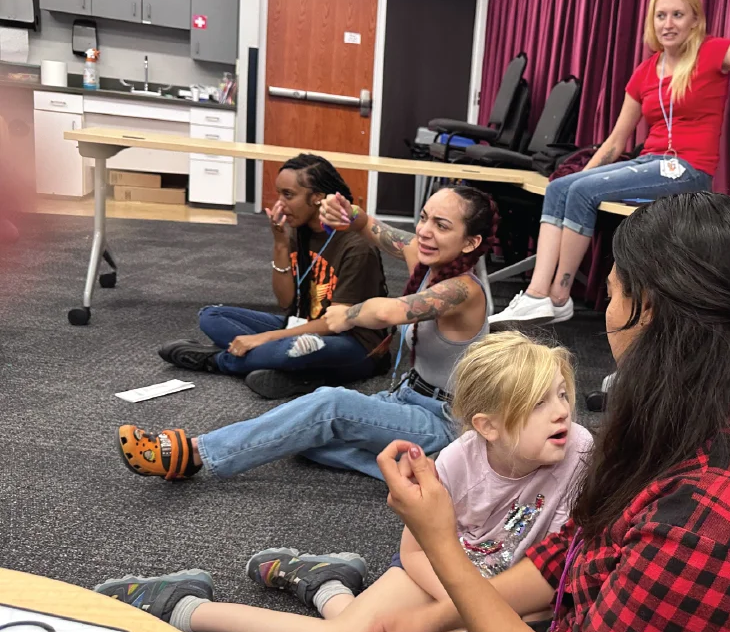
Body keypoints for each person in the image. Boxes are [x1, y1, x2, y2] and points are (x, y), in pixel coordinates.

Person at [344, 192, 730, 632]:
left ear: (648, 308)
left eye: (613, 293)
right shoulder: (712, 421)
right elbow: (576, 548)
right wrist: (440, 617)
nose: (608, 315)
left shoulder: (711, 517)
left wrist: (440, 543)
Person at [95, 332, 592, 632]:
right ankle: (184, 605)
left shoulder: (581, 454)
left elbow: (558, 573)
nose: (562, 412)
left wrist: (465, 609)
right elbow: (415, 553)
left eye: (562, 394)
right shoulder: (458, 459)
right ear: (487, 426)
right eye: (539, 403)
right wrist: (461, 603)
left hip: (509, 593)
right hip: (437, 572)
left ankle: (326, 584)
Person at [488, 0, 730, 329]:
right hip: (648, 162)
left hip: (686, 168)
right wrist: (580, 174)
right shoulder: (645, 71)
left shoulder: (713, 51)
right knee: (562, 188)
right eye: (661, 16)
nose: (668, 23)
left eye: (677, 15)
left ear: (694, 20)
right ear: (652, 22)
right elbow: (616, 142)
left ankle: (557, 296)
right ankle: (537, 295)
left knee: (582, 191)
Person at [114, 185, 498, 481]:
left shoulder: (464, 291)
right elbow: (370, 227)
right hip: (406, 398)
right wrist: (347, 212)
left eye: (441, 225)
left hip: (444, 420)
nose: (424, 232)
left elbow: (391, 311)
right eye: (424, 218)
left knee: (327, 407)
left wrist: (348, 314)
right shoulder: (426, 257)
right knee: (304, 438)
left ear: (471, 242)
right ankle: (419, 470)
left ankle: (194, 453)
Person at [158, 154, 391, 400]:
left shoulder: (356, 247)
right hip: (303, 326)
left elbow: (336, 323)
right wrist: (280, 244)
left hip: (353, 343)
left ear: (317, 198)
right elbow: (286, 302)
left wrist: (263, 338)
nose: (280, 204)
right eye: (279, 194)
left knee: (294, 348)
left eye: (288, 195)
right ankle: (291, 373)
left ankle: (218, 360)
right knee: (211, 316)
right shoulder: (300, 232)